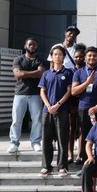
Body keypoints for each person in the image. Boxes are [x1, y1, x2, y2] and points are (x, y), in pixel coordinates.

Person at [71, 46, 97, 165]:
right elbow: (74, 91)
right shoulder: (79, 72)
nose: (92, 58)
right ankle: (86, 162)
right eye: (89, 55)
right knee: (85, 135)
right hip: (84, 108)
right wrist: (87, 82)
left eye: (94, 56)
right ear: (85, 57)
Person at [38, 45, 74, 177]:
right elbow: (42, 91)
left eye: (60, 54)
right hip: (47, 111)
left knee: (62, 139)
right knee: (46, 139)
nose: (57, 56)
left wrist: (58, 105)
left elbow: (69, 91)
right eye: (55, 54)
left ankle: (62, 166)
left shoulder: (68, 73)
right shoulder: (46, 73)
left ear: (64, 57)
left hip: (62, 110)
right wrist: (49, 106)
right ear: (51, 57)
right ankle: (46, 166)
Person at [9, 37, 46, 153]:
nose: (32, 46)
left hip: (36, 94)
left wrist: (24, 73)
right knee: (16, 120)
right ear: (25, 46)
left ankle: (35, 142)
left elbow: (40, 74)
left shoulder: (41, 60)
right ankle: (14, 143)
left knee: (37, 120)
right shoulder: (18, 59)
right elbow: (18, 74)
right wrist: (33, 73)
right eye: (30, 44)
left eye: (34, 45)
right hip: (20, 93)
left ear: (37, 46)